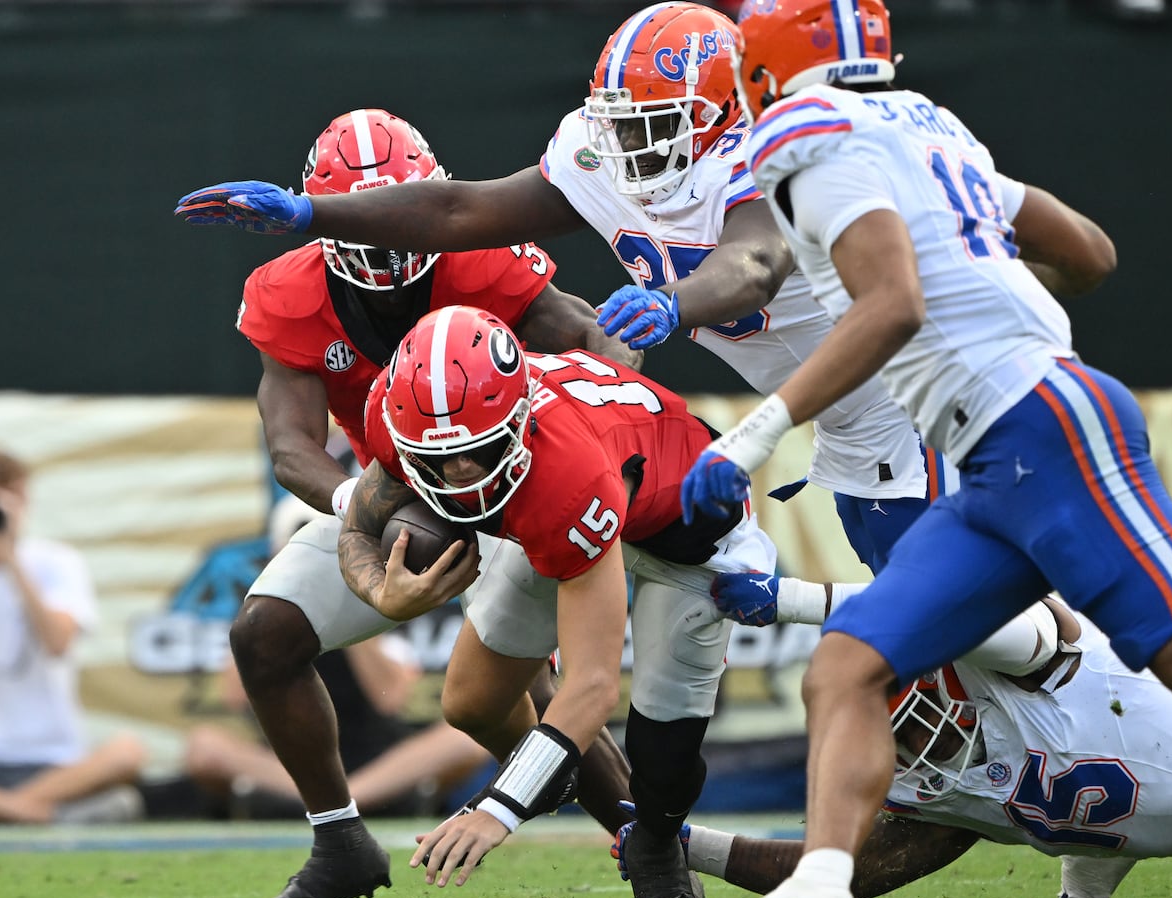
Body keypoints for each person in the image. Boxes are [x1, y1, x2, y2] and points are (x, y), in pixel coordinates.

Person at [651, 0, 1172, 898]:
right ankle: (814, 895)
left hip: (1040, 424)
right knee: (845, 668)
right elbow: (1088, 253)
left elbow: (892, 303)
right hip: (991, 460)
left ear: (765, 66)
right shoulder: (926, 122)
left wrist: (751, 434)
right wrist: (980, 277)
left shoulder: (802, 138)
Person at [172, 2, 958, 577]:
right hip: (840, 412)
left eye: (653, 123)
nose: (626, 143)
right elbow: (457, 207)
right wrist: (313, 211)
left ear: (722, 114)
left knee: (942, 609)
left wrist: (674, 303)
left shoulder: (766, 152)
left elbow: (755, 265)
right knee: (916, 605)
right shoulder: (599, 153)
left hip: (910, 391)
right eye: (617, 118)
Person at [182, 108, 643, 898]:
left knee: (514, 693)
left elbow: (594, 343)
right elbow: (292, 446)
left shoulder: (483, 254)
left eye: (401, 217)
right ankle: (340, 843)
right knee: (265, 635)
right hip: (399, 495)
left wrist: (592, 448)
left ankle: (649, 852)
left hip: (514, 489)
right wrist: (361, 516)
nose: (391, 247)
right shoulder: (288, 292)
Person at [337, 304, 778, 898]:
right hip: (560, 504)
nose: (462, 474)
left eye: (479, 449)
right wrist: (381, 591)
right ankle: (552, 770)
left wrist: (499, 807)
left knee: (663, 753)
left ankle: (657, 856)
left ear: (516, 420)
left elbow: (593, 685)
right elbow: (358, 521)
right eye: (441, 459)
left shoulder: (566, 475)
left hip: (689, 526)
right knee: (471, 702)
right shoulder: (398, 410)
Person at [641, 583, 1172, 898]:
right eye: (896, 743)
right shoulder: (945, 795)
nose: (913, 752)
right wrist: (677, 839)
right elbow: (830, 875)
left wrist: (790, 601)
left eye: (910, 727)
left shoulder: (1024, 651)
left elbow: (939, 603)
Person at [182, 494, 491, 820]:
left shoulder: (376, 609)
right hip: (294, 761)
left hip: (375, 759)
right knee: (204, 746)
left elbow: (391, 698)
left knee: (463, 741)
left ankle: (342, 799)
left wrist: (340, 603)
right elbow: (233, 696)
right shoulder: (262, 621)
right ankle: (337, 798)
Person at [0, 446, 147, 824]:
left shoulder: (56, 561)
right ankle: (30, 814)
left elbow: (56, 642)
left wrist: (10, 558)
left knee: (127, 751)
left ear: (23, 498)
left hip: (53, 762)